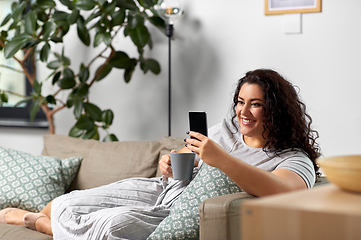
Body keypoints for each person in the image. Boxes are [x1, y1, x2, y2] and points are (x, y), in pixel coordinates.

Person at [0, 69, 321, 239]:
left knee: (114, 226)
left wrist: (220, 159)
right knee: (67, 202)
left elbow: (286, 191)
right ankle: (50, 222)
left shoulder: (291, 158)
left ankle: (37, 223)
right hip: (162, 189)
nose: (243, 111)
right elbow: (187, 155)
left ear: (275, 109)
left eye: (255, 104)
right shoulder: (226, 131)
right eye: (240, 101)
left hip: (182, 209)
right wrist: (171, 162)